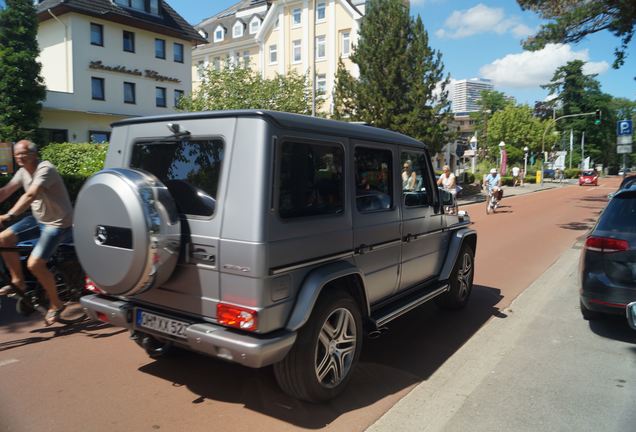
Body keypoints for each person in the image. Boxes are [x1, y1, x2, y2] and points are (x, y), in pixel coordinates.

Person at [0, 140, 74, 326]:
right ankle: (19, 282)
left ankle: (56, 305)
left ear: (34, 154)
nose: (19, 157)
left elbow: (31, 194)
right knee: (3, 239)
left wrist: (8, 215)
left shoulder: (45, 169)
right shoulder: (23, 171)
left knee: (35, 264)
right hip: (39, 218)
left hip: (58, 223)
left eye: (23, 154)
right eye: (16, 154)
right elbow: (6, 191)